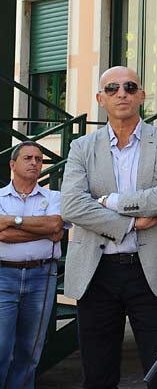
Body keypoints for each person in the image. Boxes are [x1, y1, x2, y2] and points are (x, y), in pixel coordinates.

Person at [61, 66, 157, 389]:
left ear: (142, 96)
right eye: (112, 89)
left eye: (130, 87)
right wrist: (131, 222)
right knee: (97, 374)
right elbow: (72, 205)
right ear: (100, 99)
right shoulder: (82, 147)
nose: (122, 93)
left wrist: (110, 202)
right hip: (97, 272)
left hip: (152, 272)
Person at [0, 142, 64, 389]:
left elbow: (56, 226)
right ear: (13, 164)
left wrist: (11, 221)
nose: (35, 163)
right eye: (28, 158)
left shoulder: (54, 197)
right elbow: (2, 236)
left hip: (42, 276)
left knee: (30, 349)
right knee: (2, 347)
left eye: (39, 159)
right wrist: (42, 229)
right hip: (4, 274)